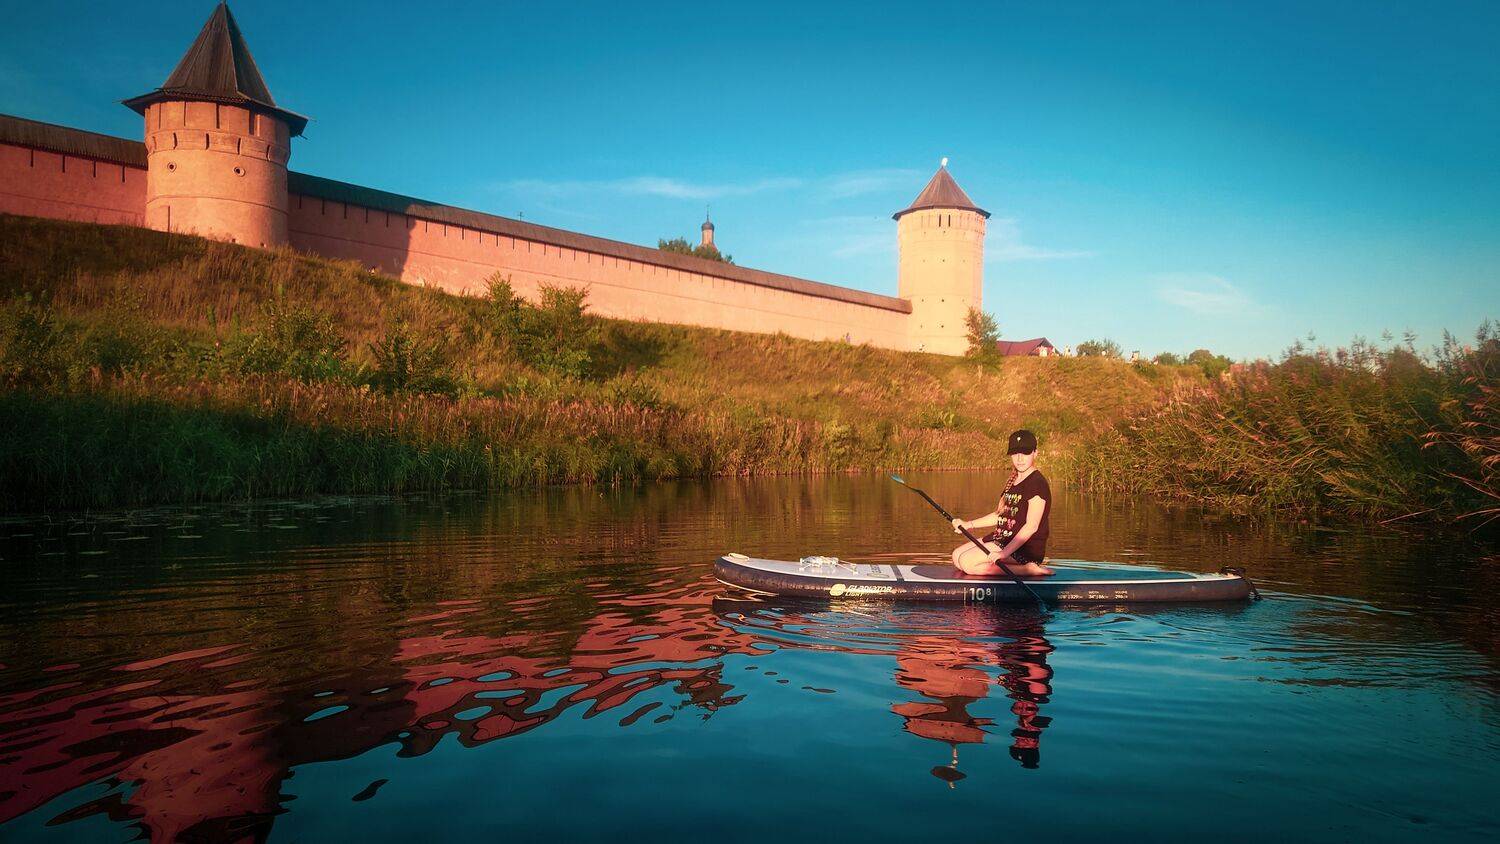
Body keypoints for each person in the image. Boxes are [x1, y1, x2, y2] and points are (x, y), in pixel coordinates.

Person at [949, 429, 1054, 577]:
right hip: (1002, 539)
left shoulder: (1037, 483)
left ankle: (1028, 569)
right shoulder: (1013, 480)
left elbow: (1031, 526)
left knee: (967, 562)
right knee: (957, 557)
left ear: (1035, 453)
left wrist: (1003, 553)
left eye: (1025, 453)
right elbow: (1000, 515)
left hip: (1024, 549)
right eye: (1015, 453)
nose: (1020, 458)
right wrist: (968, 524)